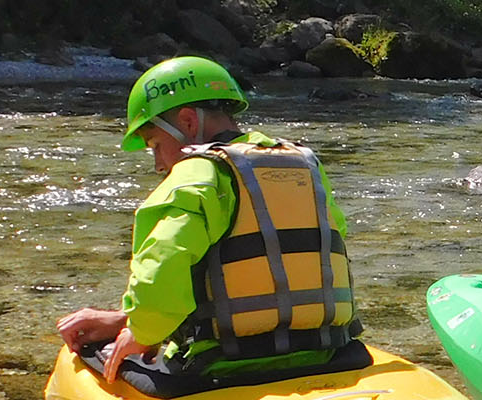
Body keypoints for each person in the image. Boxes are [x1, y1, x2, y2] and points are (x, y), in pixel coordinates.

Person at [54, 56, 363, 398]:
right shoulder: (302, 163)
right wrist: (124, 319)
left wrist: (141, 332)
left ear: (188, 122)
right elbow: (332, 239)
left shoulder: (194, 174)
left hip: (222, 367)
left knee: (84, 354)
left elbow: (163, 265)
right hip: (326, 354)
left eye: (156, 145)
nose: (158, 164)